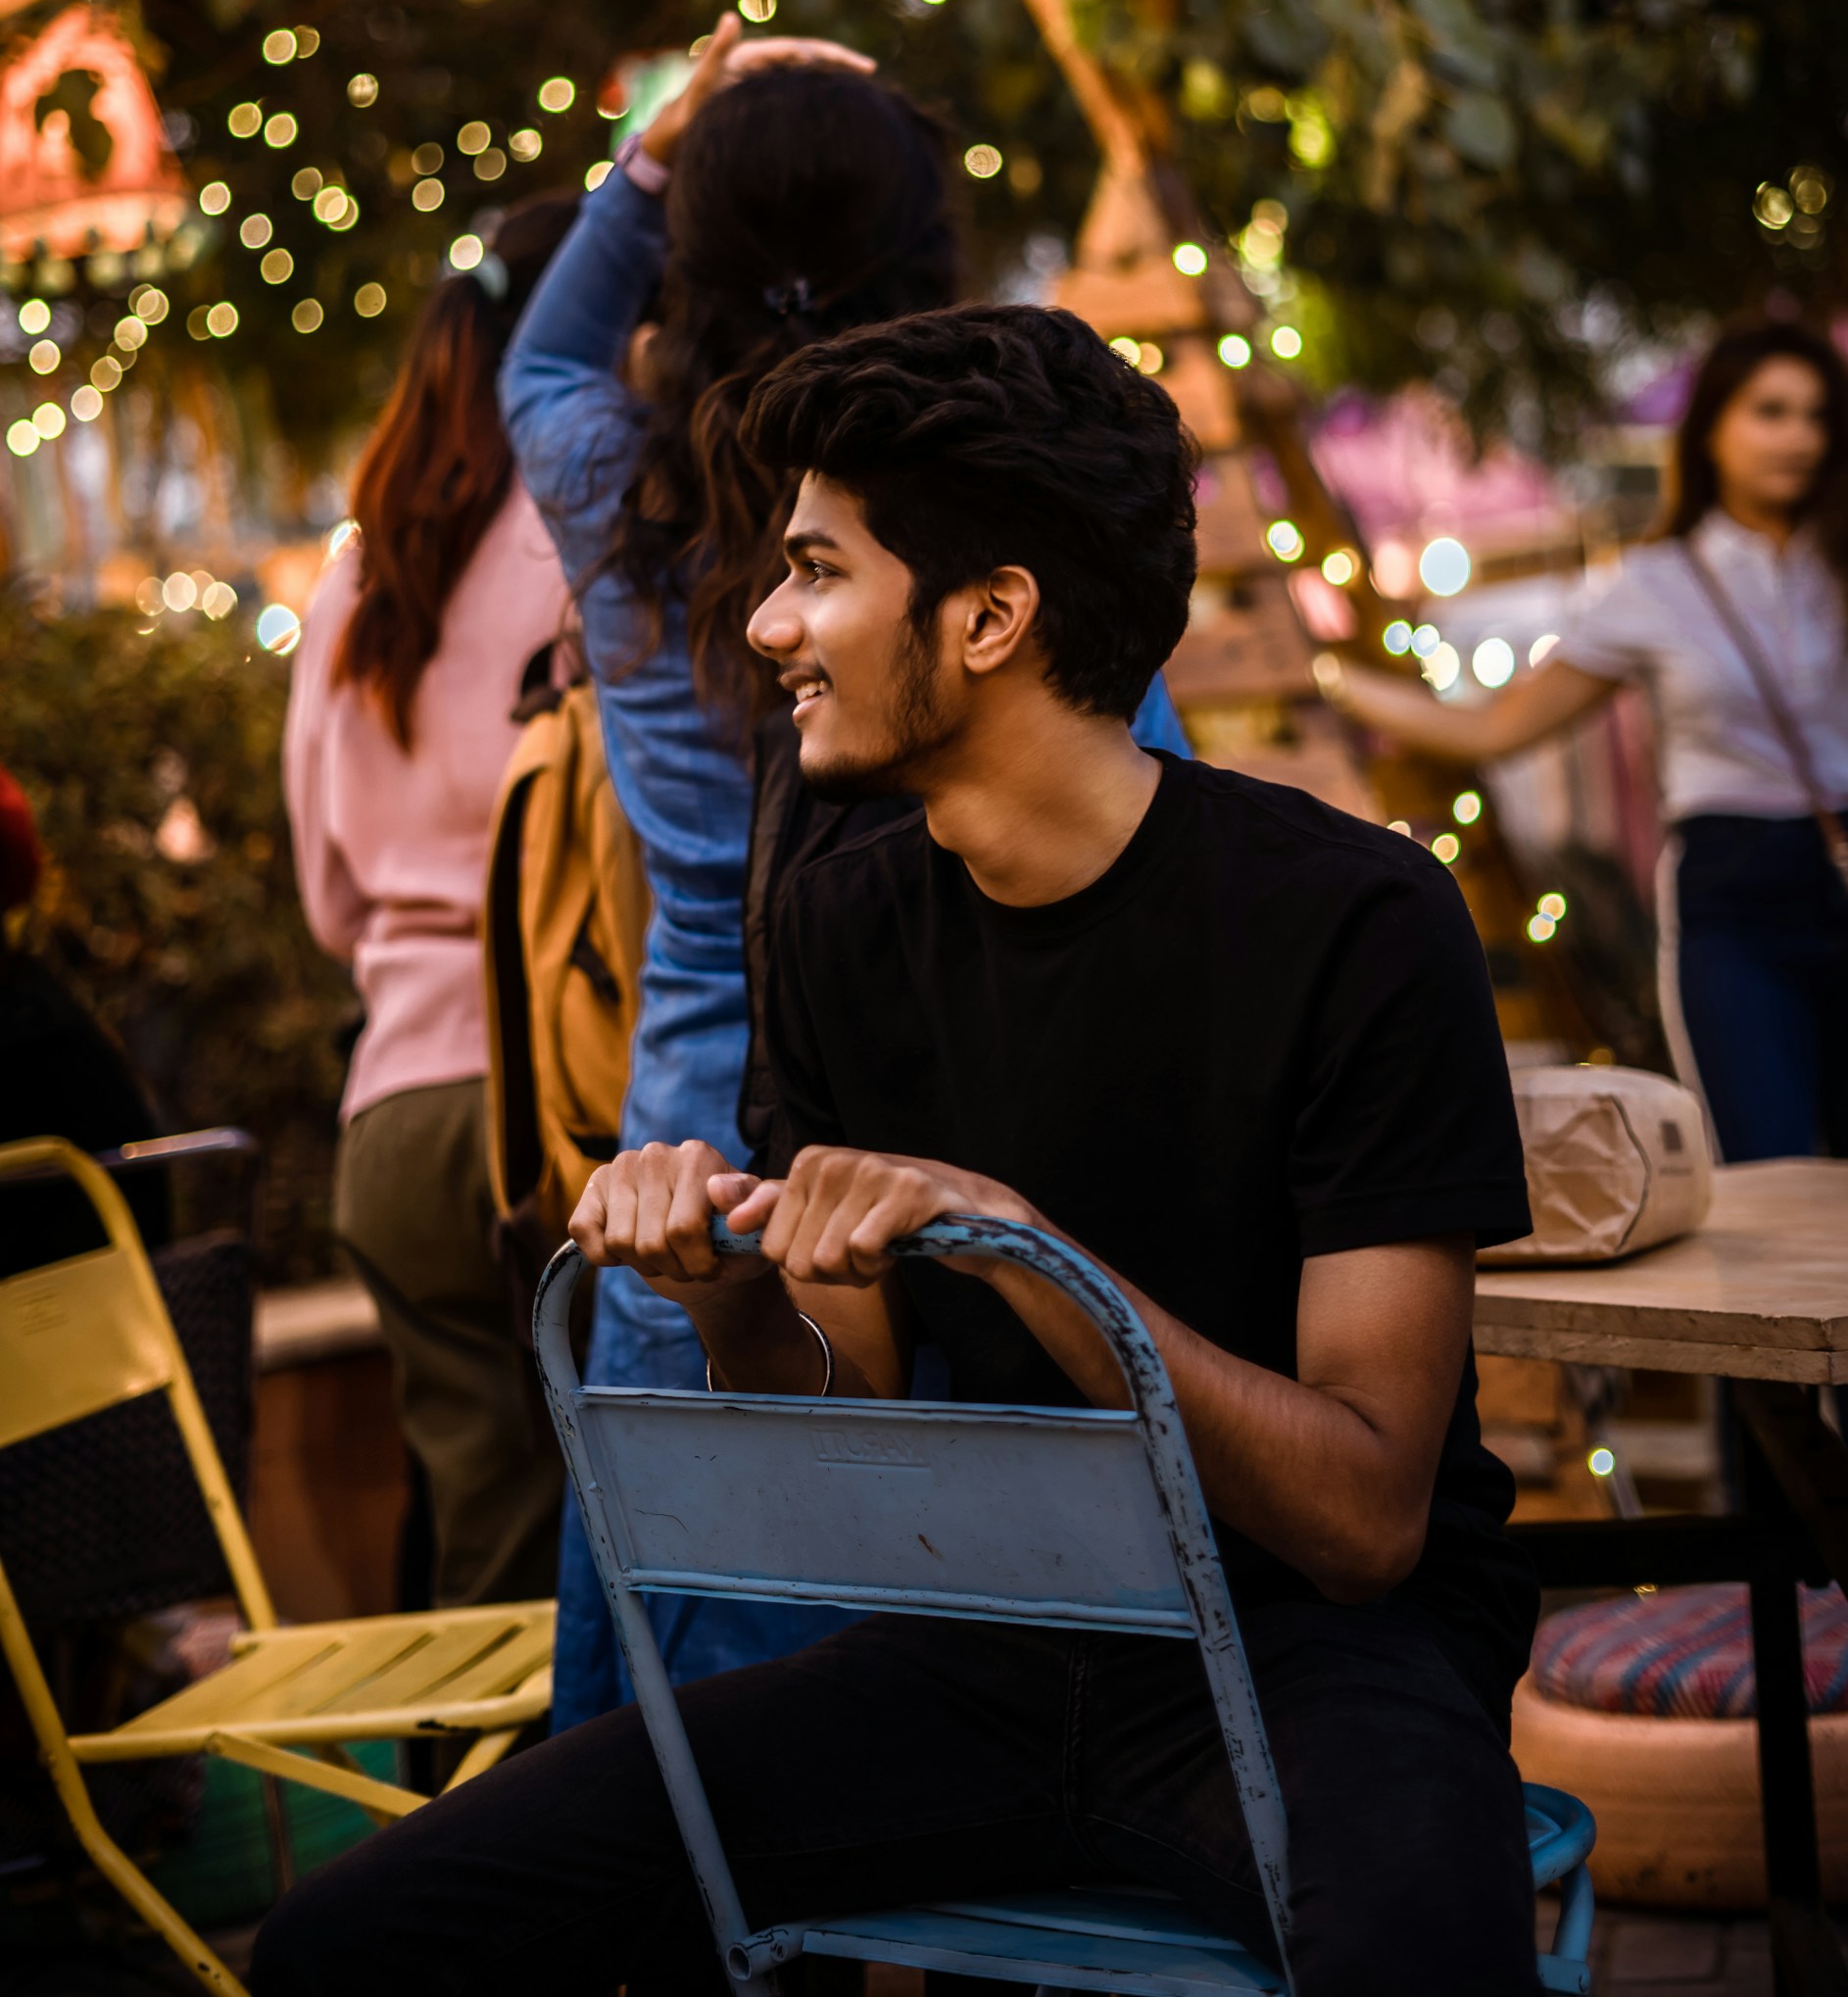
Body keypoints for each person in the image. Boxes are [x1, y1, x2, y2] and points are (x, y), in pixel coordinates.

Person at [254, 303, 1539, 1997]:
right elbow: (831, 1419)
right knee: (359, 1940)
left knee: (1417, 1961)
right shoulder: (841, 920)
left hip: (1312, 1663)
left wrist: (1028, 1250)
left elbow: (1365, 1517)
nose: (769, 625)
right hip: (982, 1657)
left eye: (816, 570)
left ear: (992, 614)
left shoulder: (1354, 920)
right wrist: (714, 1286)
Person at [497, 19, 1189, 1726]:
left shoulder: (619, 482)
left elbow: (543, 356)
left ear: (691, 249)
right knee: (1031, 1593)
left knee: (715, 1604)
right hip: (1000, 1081)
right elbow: (1146, 770)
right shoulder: (993, 492)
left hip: (702, 1114)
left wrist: (664, 139)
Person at [1321, 319, 1848, 1163]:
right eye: (1771, 411)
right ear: (1713, 429)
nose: (1799, 437)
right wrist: (1326, 679)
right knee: (1771, 1180)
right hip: (1737, 895)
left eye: (1817, 416)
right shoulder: (1655, 584)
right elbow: (1499, 727)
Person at [283, 195, 578, 1607]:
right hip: (559, 1096)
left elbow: (328, 895)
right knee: (628, 1532)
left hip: (391, 1119)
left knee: (488, 1550)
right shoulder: (585, 534)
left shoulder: (353, 575)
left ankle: (478, 1817)